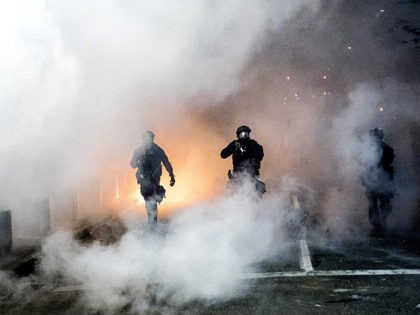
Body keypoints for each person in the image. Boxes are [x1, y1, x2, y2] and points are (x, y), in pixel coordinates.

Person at [130, 131, 175, 226]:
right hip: (143, 179)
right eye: (145, 138)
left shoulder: (158, 151)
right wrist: (138, 163)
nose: (147, 140)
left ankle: (152, 222)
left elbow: (166, 162)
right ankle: (151, 220)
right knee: (148, 199)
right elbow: (132, 164)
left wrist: (171, 175)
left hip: (154, 179)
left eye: (149, 138)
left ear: (152, 139)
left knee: (153, 200)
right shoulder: (139, 151)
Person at [361, 127, 395, 236]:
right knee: (380, 204)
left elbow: (364, 165)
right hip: (381, 180)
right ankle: (380, 226)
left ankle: (378, 227)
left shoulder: (370, 150)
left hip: (377, 180)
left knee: (375, 204)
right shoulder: (388, 149)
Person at [220, 125, 265, 196]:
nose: (245, 136)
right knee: (236, 195)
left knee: (255, 194)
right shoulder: (234, 145)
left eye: (247, 133)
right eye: (243, 134)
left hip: (252, 175)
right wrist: (232, 148)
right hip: (238, 175)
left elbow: (260, 156)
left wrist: (247, 153)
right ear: (238, 135)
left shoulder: (253, 144)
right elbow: (223, 155)